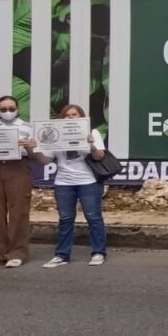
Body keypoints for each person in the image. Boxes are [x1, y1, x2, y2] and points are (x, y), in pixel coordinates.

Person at [37, 104, 108, 268]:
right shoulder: (55, 135)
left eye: (74, 114)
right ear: (62, 118)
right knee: (65, 219)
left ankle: (98, 252)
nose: (70, 117)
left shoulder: (93, 132)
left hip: (88, 182)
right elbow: (46, 160)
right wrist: (34, 149)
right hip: (64, 183)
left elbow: (99, 156)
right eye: (67, 115)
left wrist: (91, 144)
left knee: (93, 217)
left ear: (81, 117)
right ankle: (62, 255)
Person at [0, 96, 37, 268]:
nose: (7, 112)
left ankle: (17, 252)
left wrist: (29, 146)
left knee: (19, 210)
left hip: (17, 167)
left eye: (11, 108)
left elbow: (36, 155)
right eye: (3, 109)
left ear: (17, 108)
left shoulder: (27, 128)